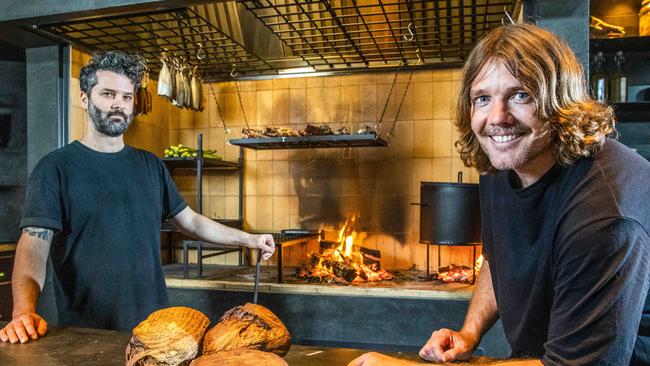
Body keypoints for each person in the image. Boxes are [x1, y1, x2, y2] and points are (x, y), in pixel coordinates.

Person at [349, 23, 650, 366]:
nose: (497, 118)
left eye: (520, 95)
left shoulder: (605, 211)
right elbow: (498, 257)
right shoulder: (502, 162)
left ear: (561, 100)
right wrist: (469, 333)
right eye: (482, 99)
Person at [0, 51, 275, 344]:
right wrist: (23, 311)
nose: (119, 103)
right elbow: (33, 246)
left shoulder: (151, 166)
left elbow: (191, 221)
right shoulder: (55, 168)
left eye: (126, 96)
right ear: (84, 99)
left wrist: (250, 239)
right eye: (108, 94)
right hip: (88, 333)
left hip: (155, 332)